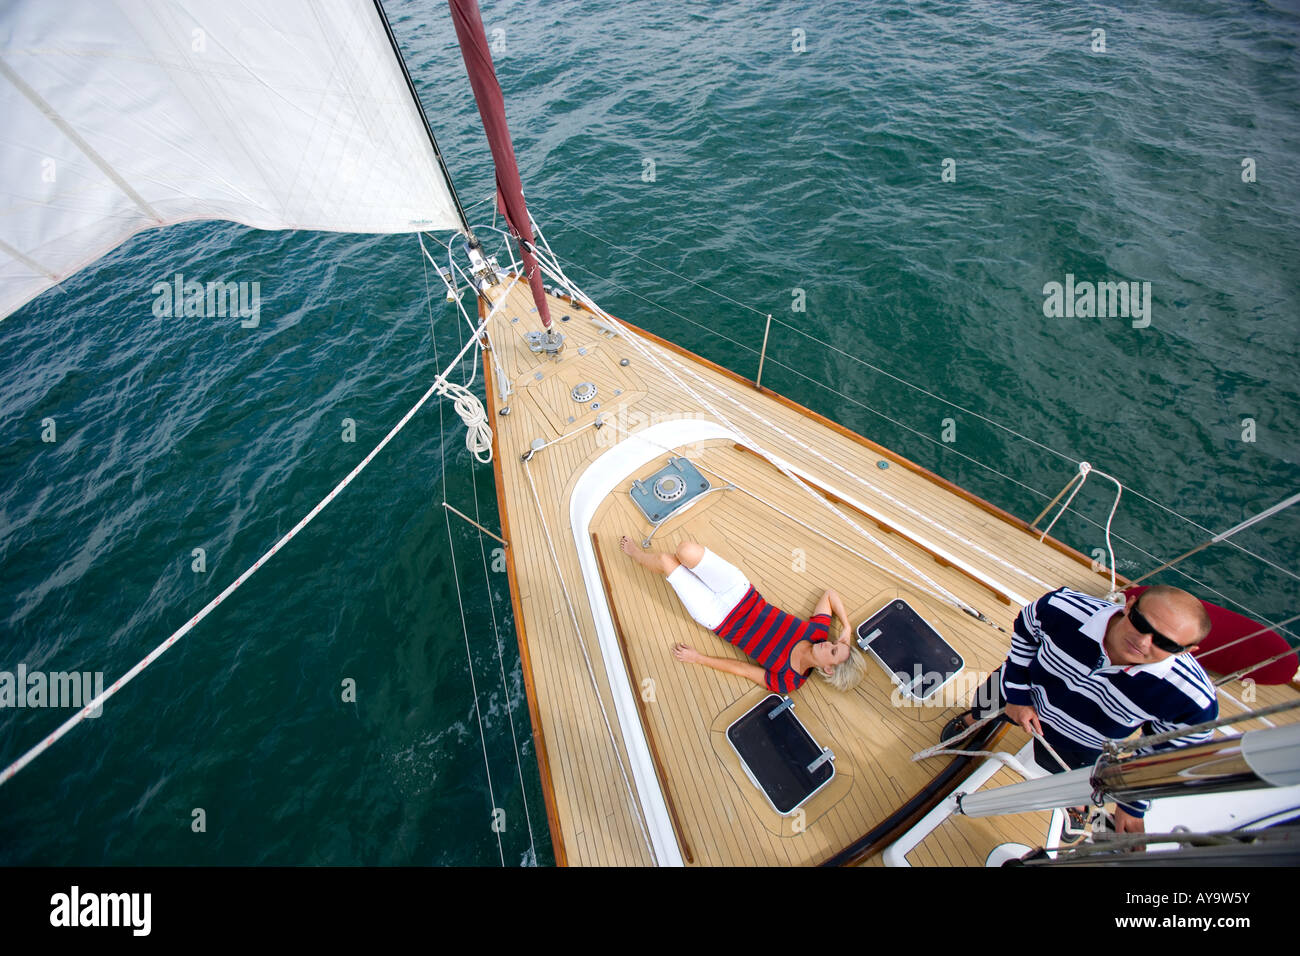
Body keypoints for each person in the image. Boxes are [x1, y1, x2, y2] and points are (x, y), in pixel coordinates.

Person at [940, 585, 1217, 833]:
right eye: (1141, 623)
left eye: (1165, 643)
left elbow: (1165, 752)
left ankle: (1077, 802)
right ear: (1129, 605)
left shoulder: (1192, 699)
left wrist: (1131, 802)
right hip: (1021, 688)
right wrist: (1018, 696)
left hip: (1083, 741)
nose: (1144, 642)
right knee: (986, 702)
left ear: (1187, 650)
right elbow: (1025, 633)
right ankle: (974, 720)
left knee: (1068, 773)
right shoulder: (1062, 607)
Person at [620, 536, 867, 693]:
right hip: (740, 592)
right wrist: (846, 626)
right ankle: (690, 572)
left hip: (717, 617)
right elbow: (830, 594)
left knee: (665, 560)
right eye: (835, 644)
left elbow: (743, 669)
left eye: (832, 651)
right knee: (685, 550)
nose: (828, 643)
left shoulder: (789, 681)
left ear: (829, 670)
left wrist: (698, 658)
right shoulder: (816, 633)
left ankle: (636, 554)